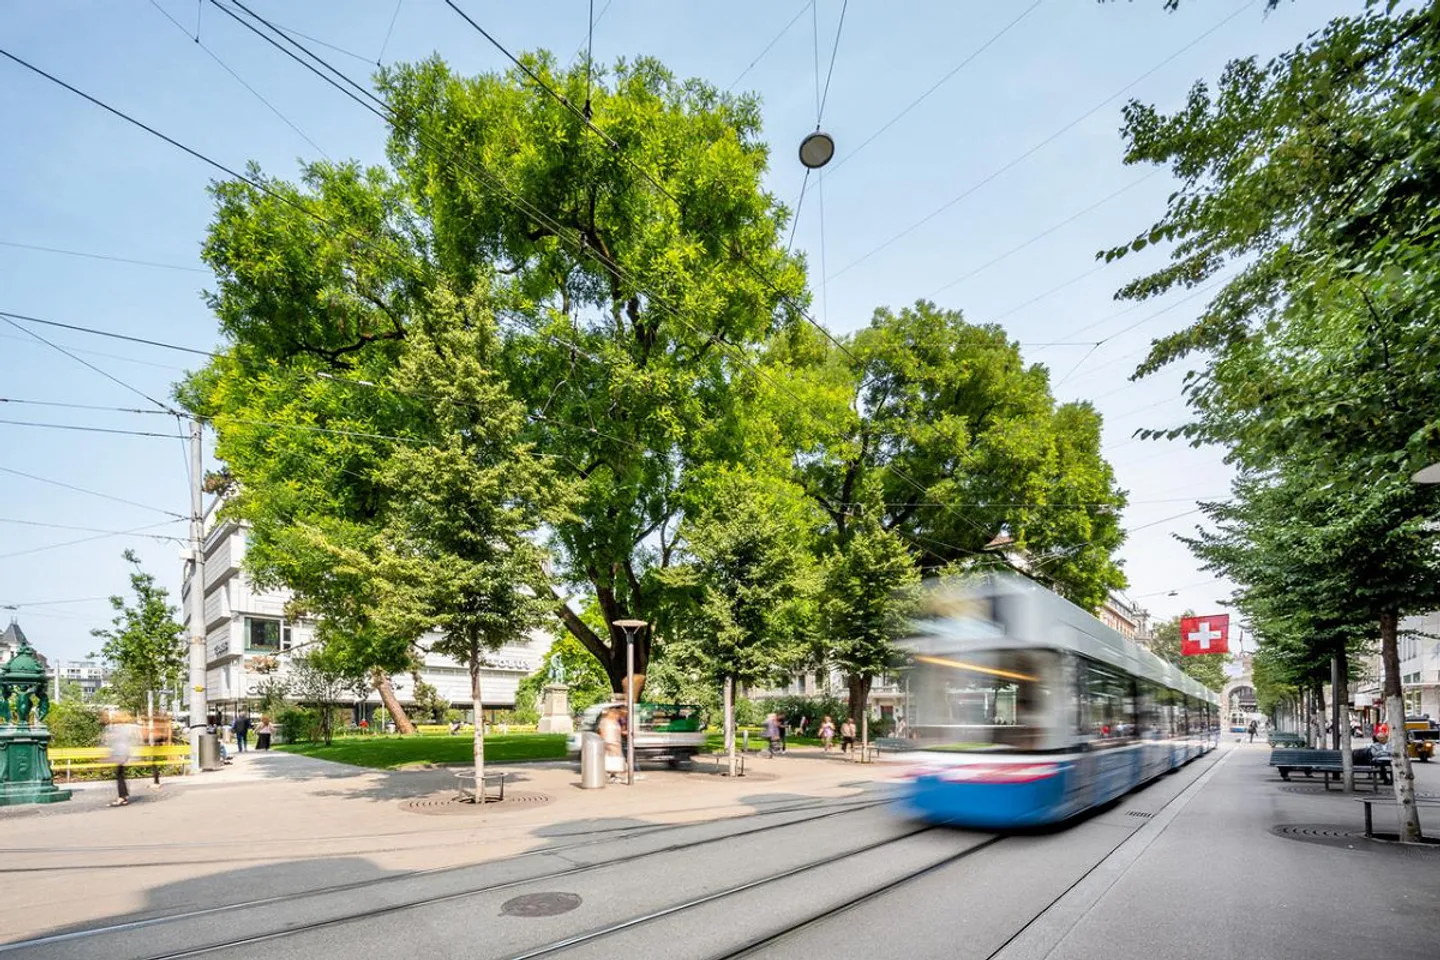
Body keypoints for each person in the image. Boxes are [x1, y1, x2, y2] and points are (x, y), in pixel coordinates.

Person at [103, 711, 138, 807]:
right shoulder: (127, 727)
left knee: (119, 775)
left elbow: (115, 740)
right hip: (124, 752)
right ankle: (124, 796)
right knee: (120, 774)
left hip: (120, 753)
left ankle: (122, 797)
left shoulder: (119, 728)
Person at [599, 707, 626, 782]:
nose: (618, 716)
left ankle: (613, 774)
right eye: (616, 714)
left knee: (615, 757)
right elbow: (602, 732)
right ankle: (608, 774)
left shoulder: (615, 722)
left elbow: (618, 731)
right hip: (609, 742)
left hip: (616, 742)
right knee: (610, 757)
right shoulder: (605, 721)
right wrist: (603, 741)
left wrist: (624, 732)